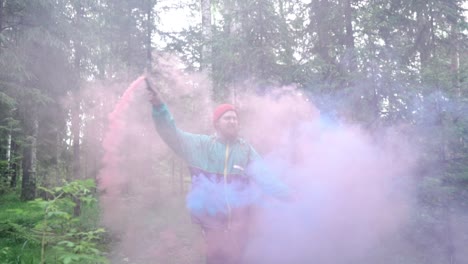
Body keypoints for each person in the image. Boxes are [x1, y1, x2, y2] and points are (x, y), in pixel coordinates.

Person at [144, 77, 290, 264]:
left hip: (240, 226)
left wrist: (291, 196)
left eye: (235, 118)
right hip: (211, 226)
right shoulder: (201, 146)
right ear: (216, 123)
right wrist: (159, 106)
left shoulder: (245, 150)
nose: (232, 121)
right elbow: (171, 133)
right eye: (227, 118)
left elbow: (267, 178)